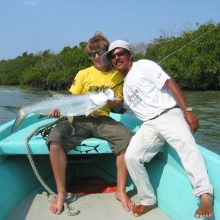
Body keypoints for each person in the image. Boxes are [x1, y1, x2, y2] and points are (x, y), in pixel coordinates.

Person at [101, 40, 214, 218]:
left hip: (169, 114)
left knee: (186, 145)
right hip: (149, 125)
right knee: (131, 157)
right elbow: (120, 109)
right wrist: (114, 104)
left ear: (130, 55)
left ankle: (205, 195)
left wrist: (188, 111)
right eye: (113, 56)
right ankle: (148, 199)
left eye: (121, 53)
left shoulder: (144, 65)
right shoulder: (124, 86)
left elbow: (170, 84)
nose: (117, 57)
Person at [46, 34, 134, 215]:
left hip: (103, 119)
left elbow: (117, 108)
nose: (95, 57)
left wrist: (116, 104)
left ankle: (120, 190)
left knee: (127, 140)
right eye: (91, 54)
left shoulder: (117, 75)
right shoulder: (83, 74)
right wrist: (58, 109)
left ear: (107, 54)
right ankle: (61, 192)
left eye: (99, 53)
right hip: (78, 120)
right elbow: (72, 101)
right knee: (54, 141)